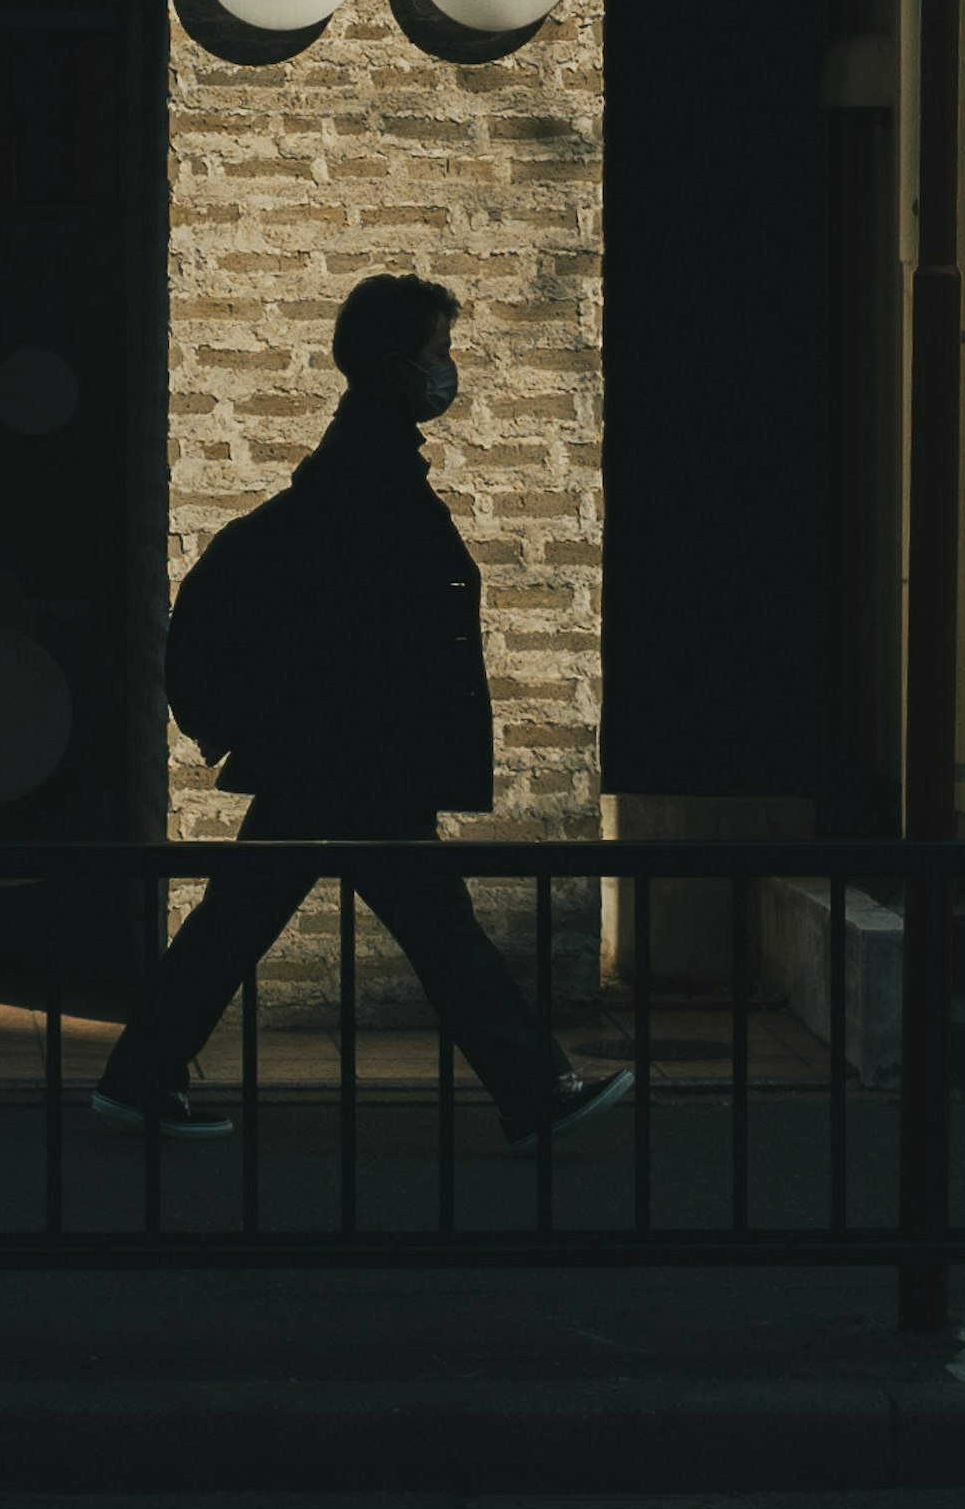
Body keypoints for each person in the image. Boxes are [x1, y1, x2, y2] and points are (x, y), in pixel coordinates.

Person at [92, 269, 629, 1148]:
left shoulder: (362, 459)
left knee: (253, 922)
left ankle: (138, 1079)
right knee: (431, 931)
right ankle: (536, 1093)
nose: (446, 371)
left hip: (335, 752)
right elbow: (364, 626)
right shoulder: (367, 472)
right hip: (354, 754)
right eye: (437, 353)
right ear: (392, 367)